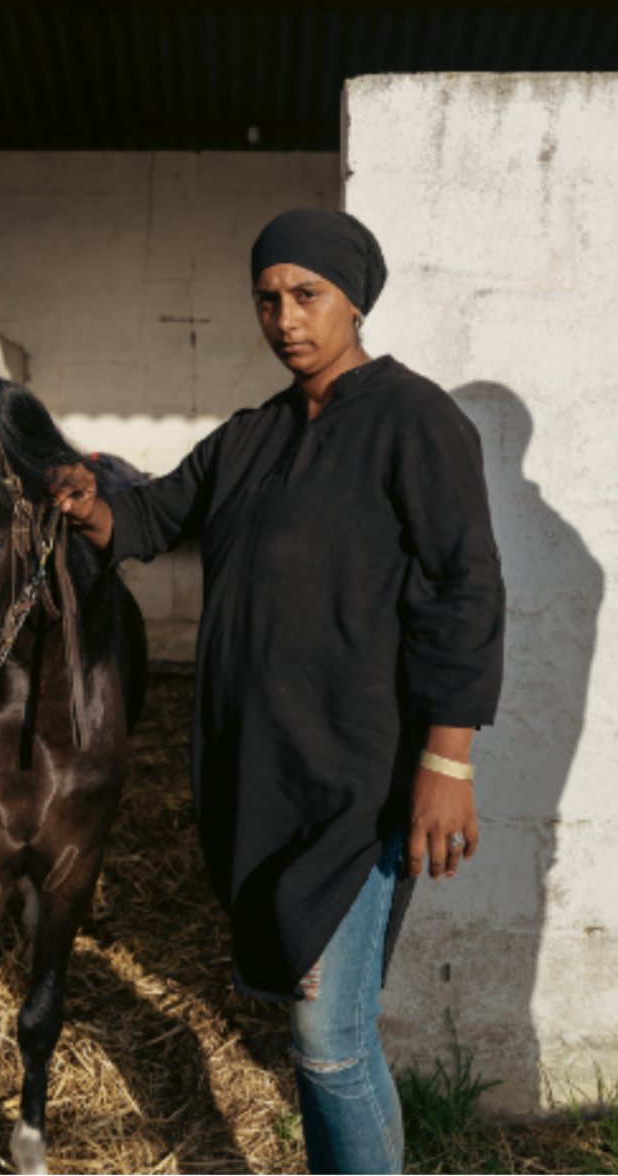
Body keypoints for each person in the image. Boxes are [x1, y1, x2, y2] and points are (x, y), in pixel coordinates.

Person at [50, 208, 505, 1176]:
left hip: (357, 783)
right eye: (267, 298)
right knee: (315, 1031)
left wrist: (446, 759)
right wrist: (92, 505)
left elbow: (463, 590)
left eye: (307, 295)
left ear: (353, 300)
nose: (284, 318)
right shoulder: (249, 437)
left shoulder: (415, 422)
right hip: (265, 781)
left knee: (330, 1041)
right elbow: (150, 513)